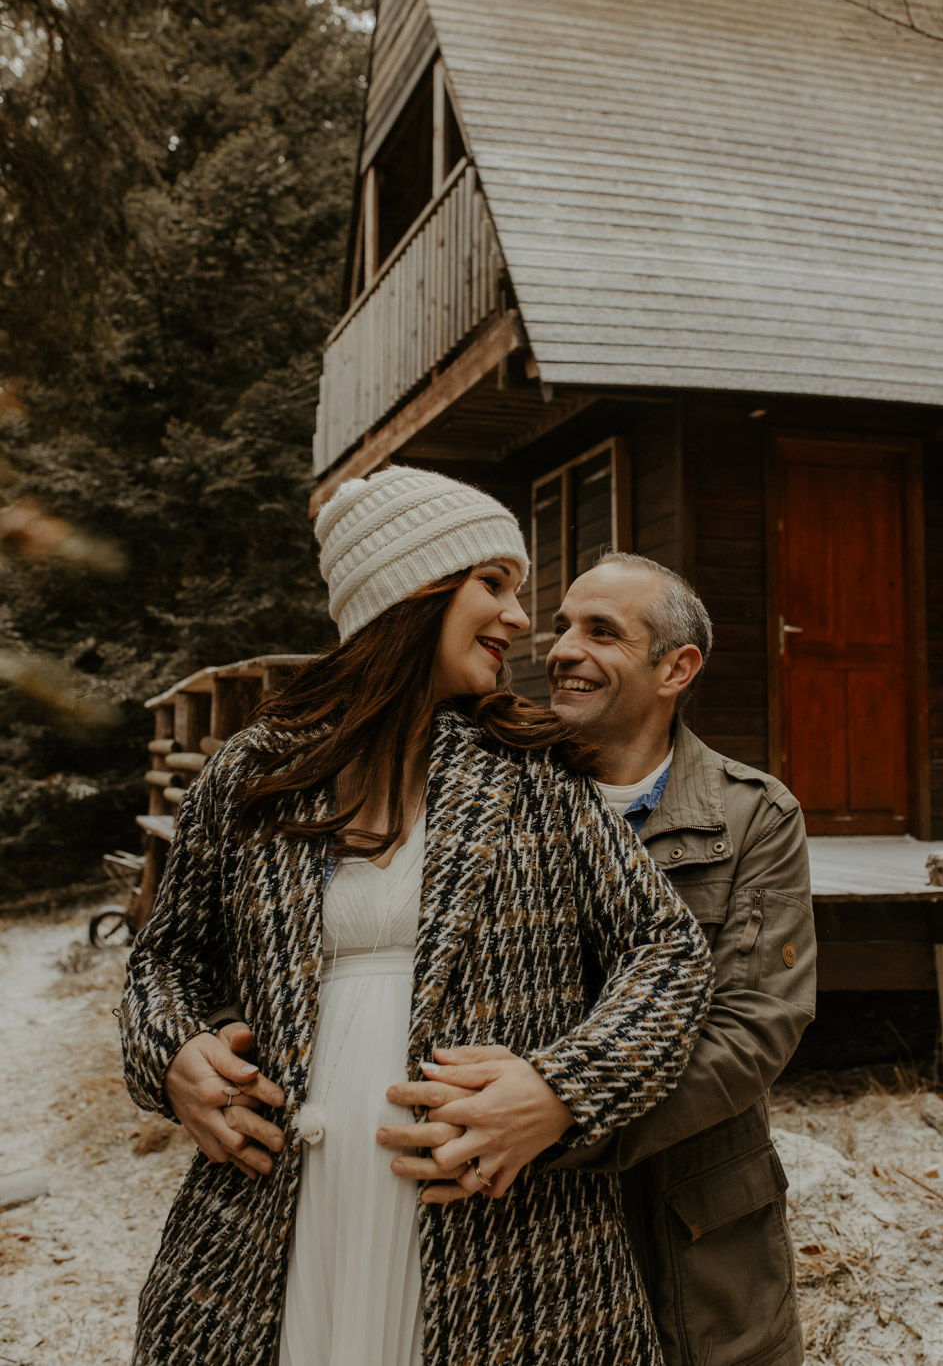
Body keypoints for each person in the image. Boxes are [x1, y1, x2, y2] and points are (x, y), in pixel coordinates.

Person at [120, 469, 714, 1366]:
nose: (521, 619)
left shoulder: (531, 774)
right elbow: (163, 961)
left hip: (498, 1227)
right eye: (494, 584)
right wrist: (172, 1057)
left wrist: (562, 1090)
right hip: (277, 1212)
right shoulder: (254, 772)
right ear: (410, 592)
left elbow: (669, 954)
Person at [380, 552, 816, 1366]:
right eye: (561, 627)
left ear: (676, 667)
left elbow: (756, 1025)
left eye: (601, 632)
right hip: (507, 1220)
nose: (560, 651)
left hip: (693, 1219)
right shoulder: (481, 783)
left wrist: (565, 1109)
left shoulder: (752, 814)